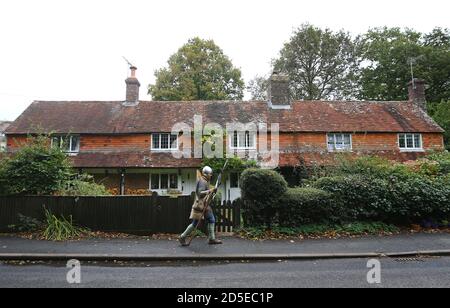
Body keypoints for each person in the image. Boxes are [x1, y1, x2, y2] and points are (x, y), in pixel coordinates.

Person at [178, 166, 223, 246]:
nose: (211, 175)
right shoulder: (202, 181)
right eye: (210, 174)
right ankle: (183, 236)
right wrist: (210, 190)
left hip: (204, 204)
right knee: (203, 221)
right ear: (206, 174)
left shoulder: (205, 181)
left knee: (208, 220)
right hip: (201, 205)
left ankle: (211, 238)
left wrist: (212, 190)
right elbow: (200, 193)